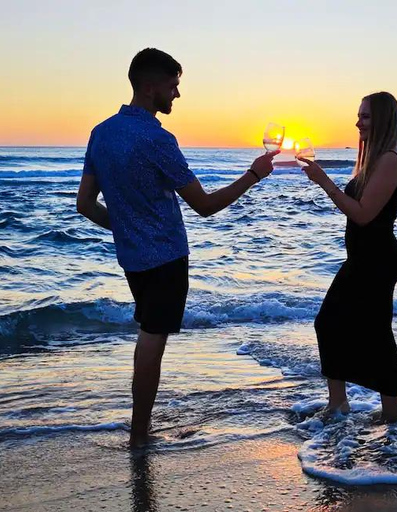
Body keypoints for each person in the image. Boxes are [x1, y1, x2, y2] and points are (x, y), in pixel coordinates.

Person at [76, 48, 278, 447]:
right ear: (150, 88)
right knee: (152, 341)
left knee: (149, 335)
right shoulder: (157, 139)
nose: (177, 96)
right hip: (167, 258)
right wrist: (254, 174)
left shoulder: (100, 133)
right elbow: (204, 206)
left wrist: (125, 230)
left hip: (131, 259)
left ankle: (141, 429)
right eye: (173, 87)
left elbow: (85, 204)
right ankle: (139, 436)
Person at [300, 91, 397, 423]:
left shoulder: (390, 159)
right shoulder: (375, 160)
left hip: (376, 261)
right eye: (358, 115)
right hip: (364, 259)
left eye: (366, 116)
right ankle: (339, 403)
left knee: (371, 332)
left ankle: (390, 412)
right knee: (334, 324)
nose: (358, 122)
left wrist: (324, 183)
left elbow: (363, 215)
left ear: (383, 120)